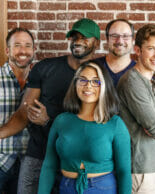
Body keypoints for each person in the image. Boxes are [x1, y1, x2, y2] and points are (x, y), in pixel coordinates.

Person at [0, 18, 100, 193]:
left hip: (74, 161)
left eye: (85, 38)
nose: (78, 41)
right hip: (38, 155)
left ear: (96, 43)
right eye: (74, 37)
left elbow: (93, 125)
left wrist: (47, 120)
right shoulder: (45, 68)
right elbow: (24, 113)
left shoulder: (99, 75)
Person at [38, 61, 131, 194]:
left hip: (102, 188)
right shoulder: (61, 121)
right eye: (83, 80)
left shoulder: (115, 124)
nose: (88, 86)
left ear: (103, 86)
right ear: (75, 84)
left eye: (95, 81)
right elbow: (49, 166)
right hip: (66, 187)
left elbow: (124, 172)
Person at [117, 24, 155, 194]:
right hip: (139, 170)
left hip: (153, 166)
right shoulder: (132, 82)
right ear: (137, 50)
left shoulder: (154, 84)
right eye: (151, 48)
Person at [0, 28, 34, 194]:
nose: (23, 51)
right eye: (17, 45)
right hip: (1, 161)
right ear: (8, 50)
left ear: (33, 50)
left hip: (29, 164)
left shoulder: (40, 82)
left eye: (28, 46)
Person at [95, 19, 136, 86]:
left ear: (132, 40)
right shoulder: (93, 67)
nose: (120, 41)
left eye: (125, 36)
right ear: (107, 39)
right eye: (114, 36)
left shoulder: (141, 72)